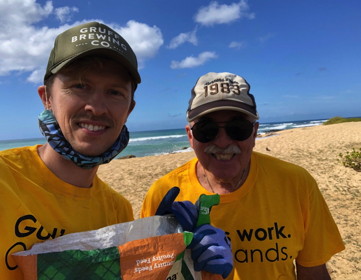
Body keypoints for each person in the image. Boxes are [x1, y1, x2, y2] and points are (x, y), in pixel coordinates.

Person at [0, 23, 232, 279]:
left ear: (129, 109)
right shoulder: (5, 181)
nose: (97, 108)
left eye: (114, 92)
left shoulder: (118, 212)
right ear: (47, 97)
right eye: (80, 86)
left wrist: (162, 247)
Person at [141, 72, 345, 279]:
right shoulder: (165, 194)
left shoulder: (297, 184)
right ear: (190, 136)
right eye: (207, 129)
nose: (222, 142)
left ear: (255, 133)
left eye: (237, 128)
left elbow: (313, 270)